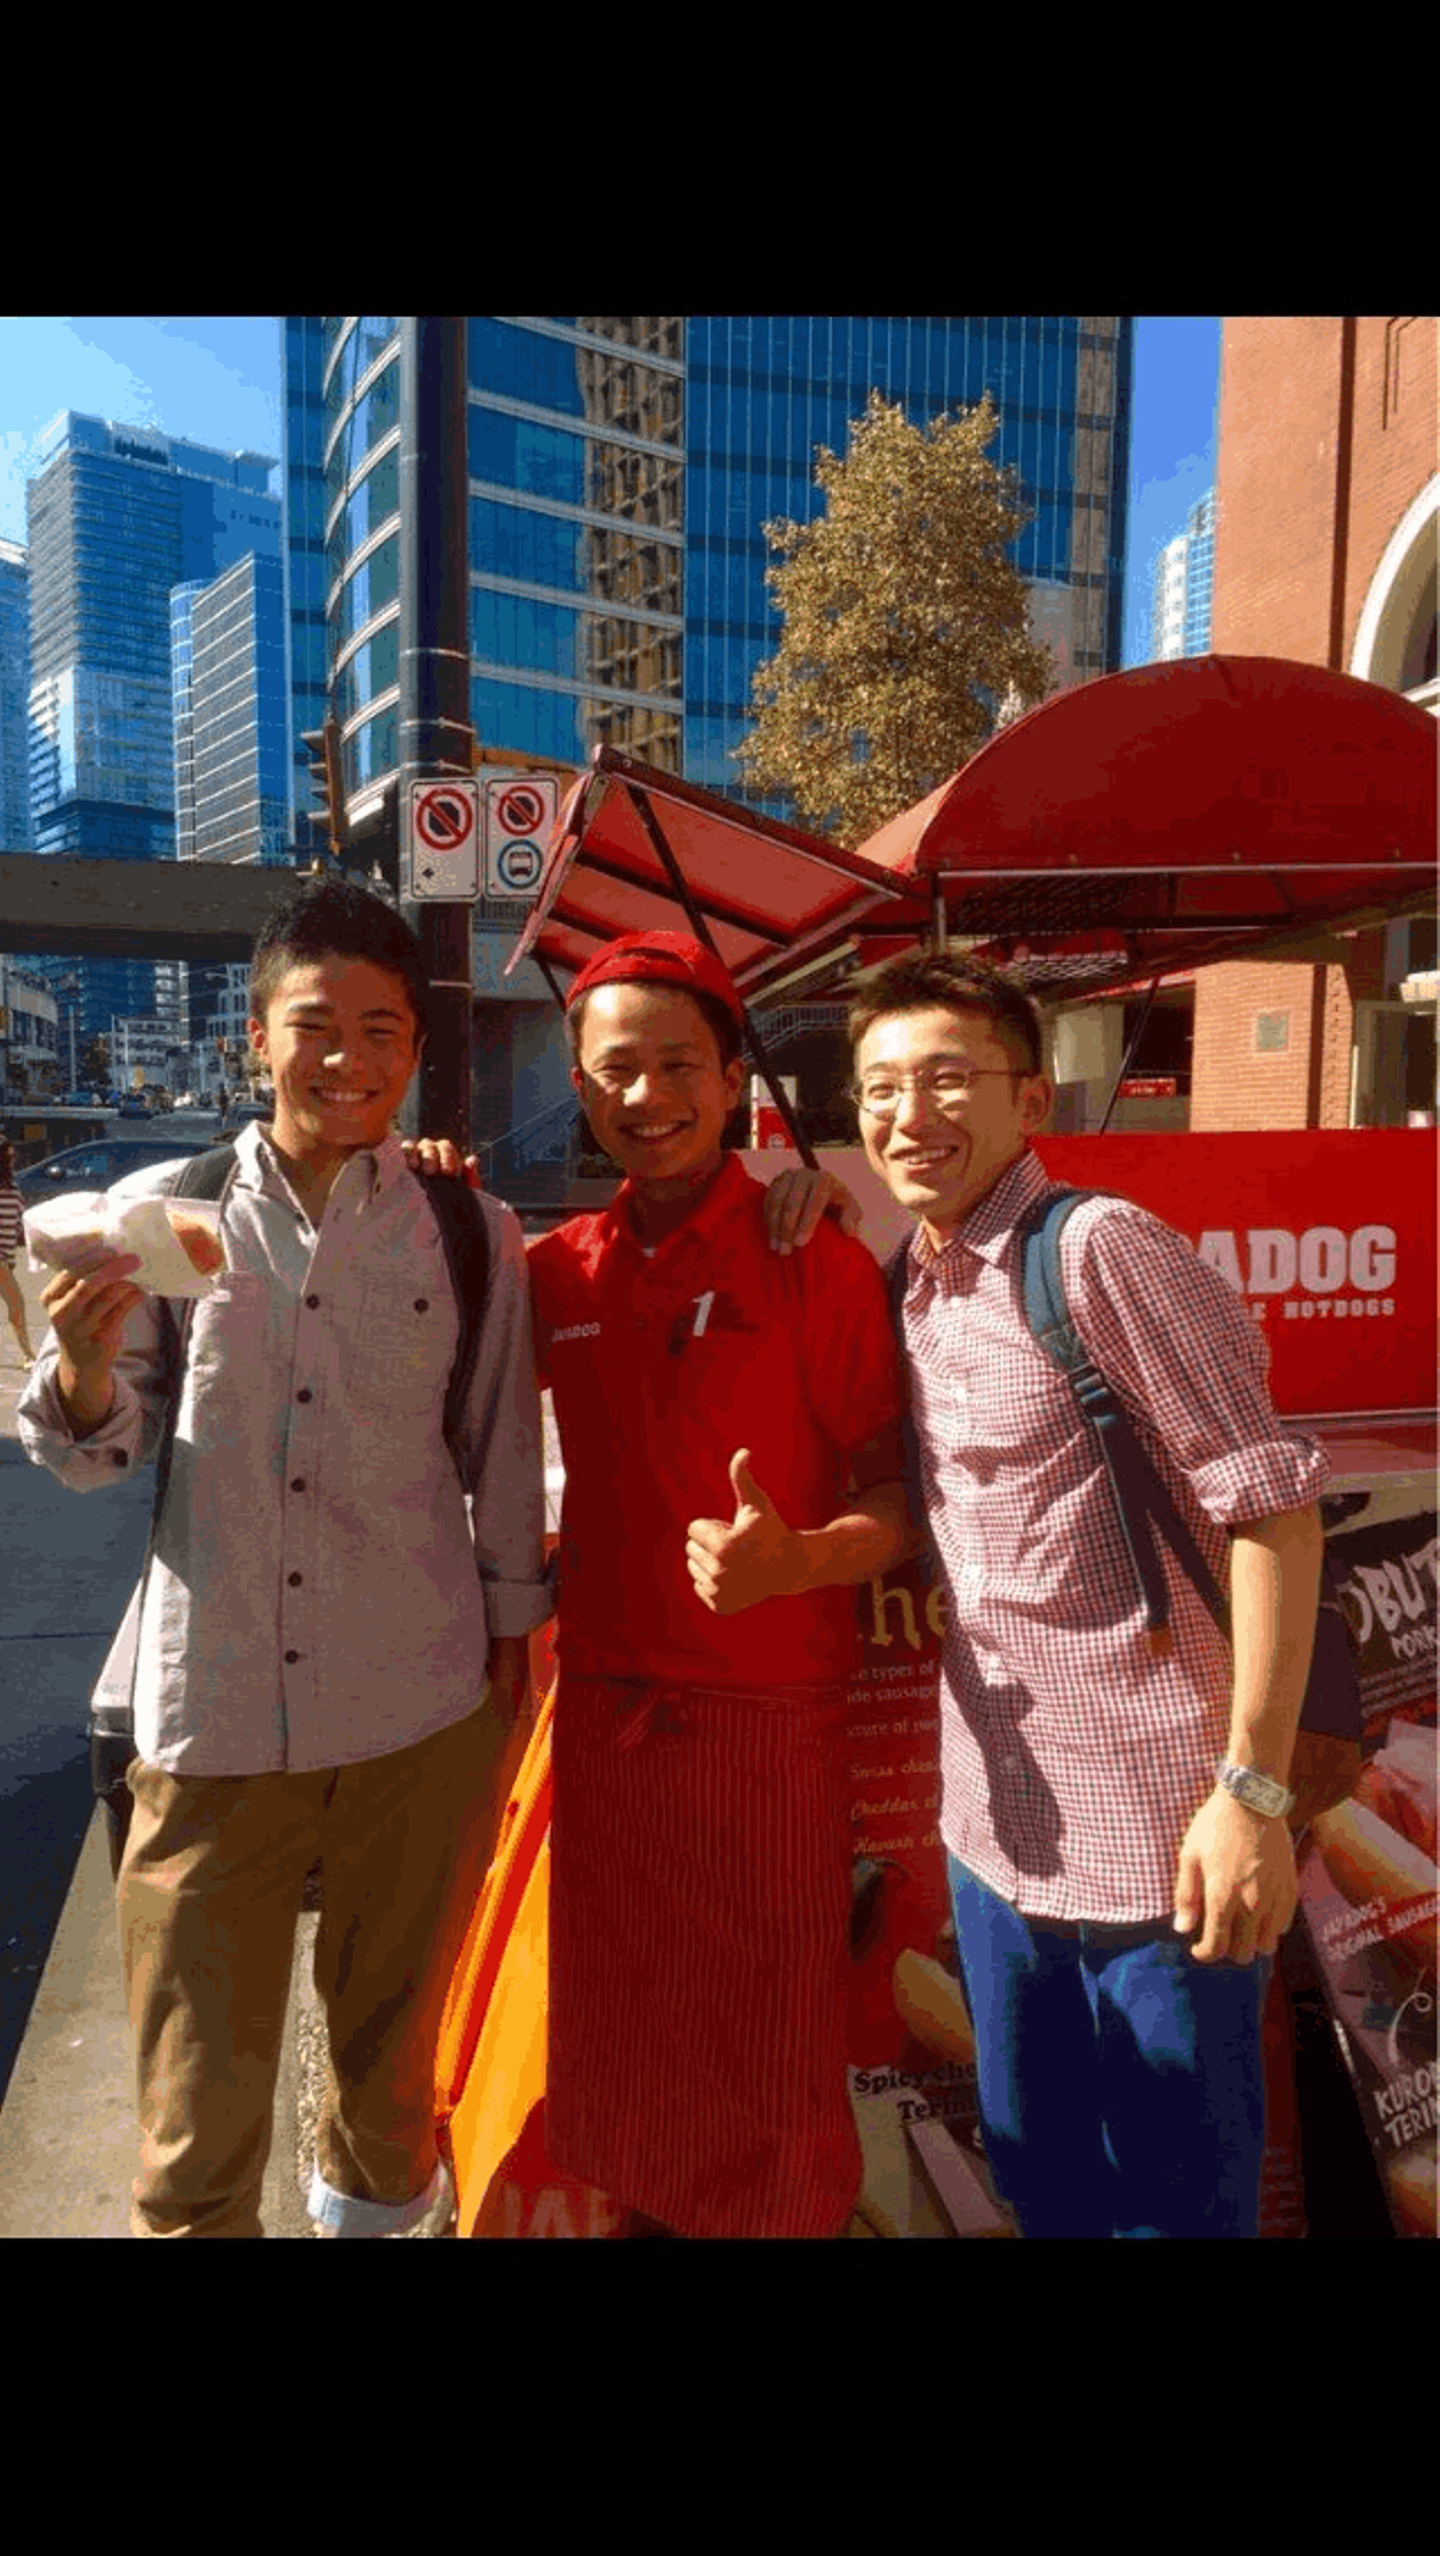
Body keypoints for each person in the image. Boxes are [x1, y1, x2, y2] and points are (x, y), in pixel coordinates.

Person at [18, 878, 550, 2239]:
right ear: (258, 1036)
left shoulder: (470, 1233)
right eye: (316, 1026)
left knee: (389, 2091)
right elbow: (91, 1455)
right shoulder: (160, 1213)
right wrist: (78, 1362)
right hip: (211, 1724)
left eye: (381, 1032)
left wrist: (510, 1667)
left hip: (418, 1714)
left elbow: (499, 1457)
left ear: (415, 1052)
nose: (347, 1061)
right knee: (193, 2122)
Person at [767, 948, 1327, 2240]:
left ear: (1032, 1100)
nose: (909, 1115)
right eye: (881, 1089)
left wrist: (1252, 1795)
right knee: (1041, 2184)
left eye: (946, 1079)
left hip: (1161, 1840)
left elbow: (1275, 1511)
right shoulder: (909, 1282)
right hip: (996, 1839)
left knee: (1178, 2206)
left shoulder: (1100, 1253)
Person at [522, 931, 916, 2237]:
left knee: (770, 2070)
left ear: (735, 1075)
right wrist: (436, 1181)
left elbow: (901, 1502)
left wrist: (801, 1560)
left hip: (767, 1727)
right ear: (579, 1086)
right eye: (616, 1069)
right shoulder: (556, 1271)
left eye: (679, 1064)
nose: (648, 1096)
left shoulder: (815, 1255)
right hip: (608, 1722)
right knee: (630, 2063)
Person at [0, 1138, 36, 1365]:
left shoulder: (12, 1188)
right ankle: (27, 1355)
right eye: (9, 1157)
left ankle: (27, 1354)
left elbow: (18, 1222)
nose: (13, 1161)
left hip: (5, 1259)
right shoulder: (10, 1189)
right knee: (16, 1304)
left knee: (15, 1305)